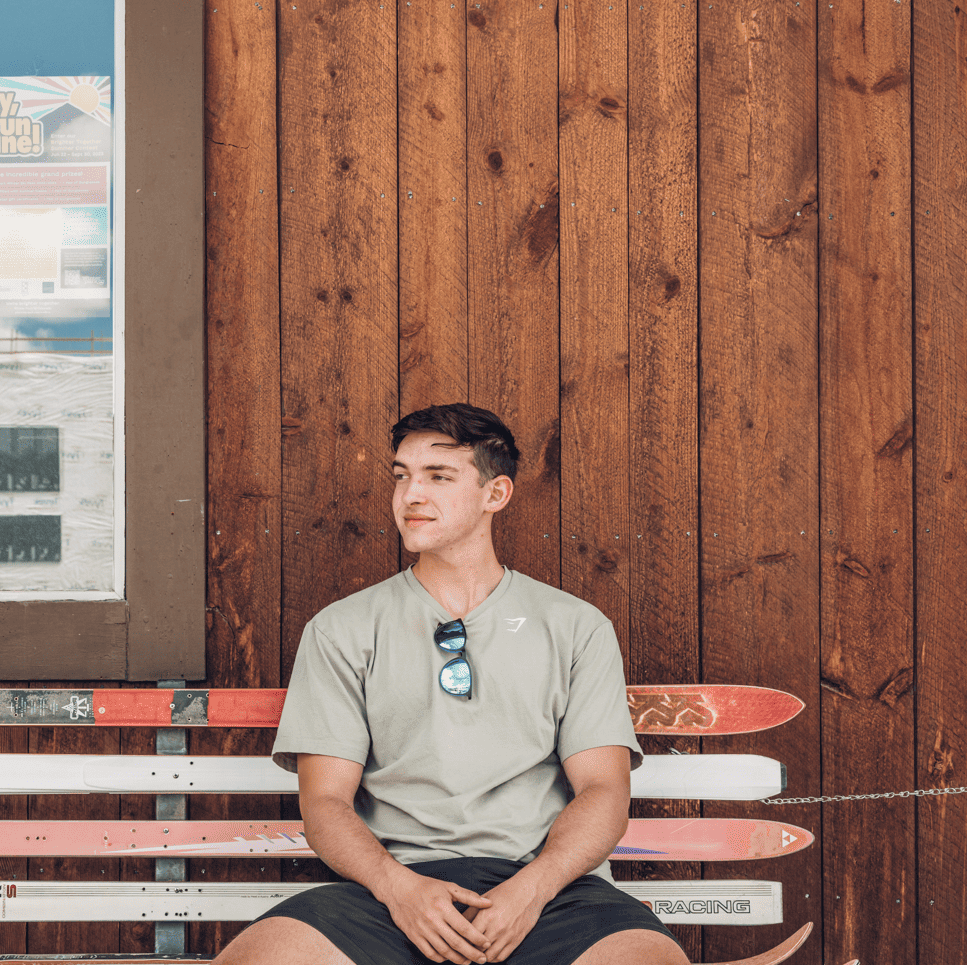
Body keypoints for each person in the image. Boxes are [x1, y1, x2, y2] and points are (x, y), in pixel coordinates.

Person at [212, 404, 685, 965]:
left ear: (496, 494)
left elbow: (604, 792)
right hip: (389, 892)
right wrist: (399, 890)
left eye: (438, 477)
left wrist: (532, 889)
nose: (411, 494)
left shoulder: (575, 626)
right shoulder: (341, 628)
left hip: (546, 891)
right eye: (401, 475)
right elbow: (325, 802)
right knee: (266, 957)